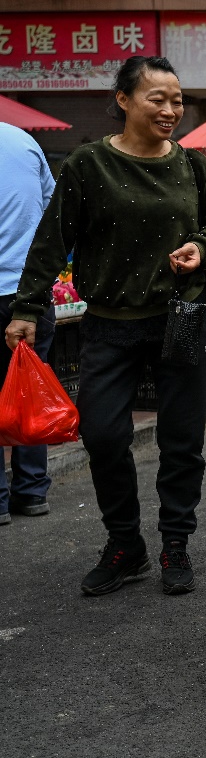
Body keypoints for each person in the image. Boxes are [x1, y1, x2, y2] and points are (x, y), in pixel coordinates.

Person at [5, 55, 206, 596]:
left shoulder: (192, 164)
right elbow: (51, 239)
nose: (170, 109)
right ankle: (125, 544)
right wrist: (25, 308)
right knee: (104, 433)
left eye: (177, 100)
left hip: (181, 321)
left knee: (183, 440)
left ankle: (175, 541)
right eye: (157, 98)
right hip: (109, 325)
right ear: (124, 100)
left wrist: (201, 249)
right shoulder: (89, 165)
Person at [0, 122, 57, 526]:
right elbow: (54, 208)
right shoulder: (23, 140)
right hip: (31, 291)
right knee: (30, 389)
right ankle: (32, 490)